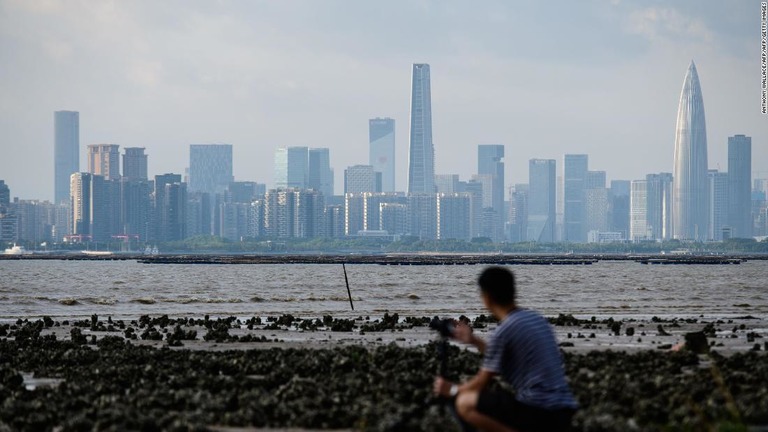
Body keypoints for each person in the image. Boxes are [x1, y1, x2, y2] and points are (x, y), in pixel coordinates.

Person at [433, 266, 578, 432]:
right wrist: (473, 341)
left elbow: (481, 382)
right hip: (564, 410)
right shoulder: (536, 319)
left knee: (464, 402)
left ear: (486, 297)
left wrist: (451, 389)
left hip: (540, 412)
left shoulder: (504, 330)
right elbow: (508, 359)